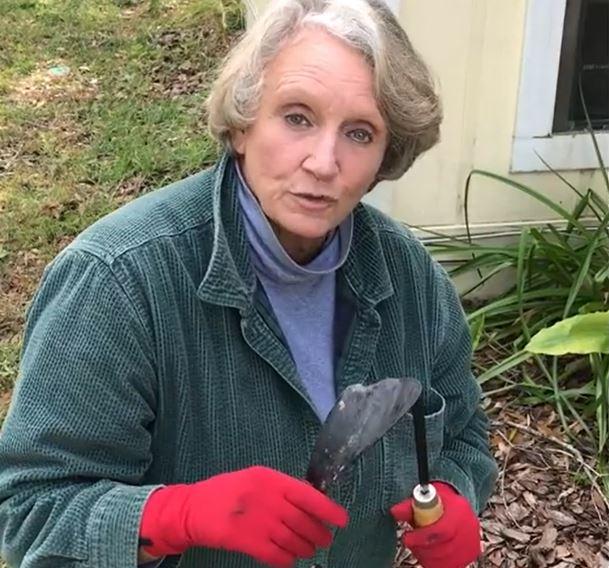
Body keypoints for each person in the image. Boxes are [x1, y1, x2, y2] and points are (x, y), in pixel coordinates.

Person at [0, 0, 498, 567]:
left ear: (387, 154)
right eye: (297, 117)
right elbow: (32, 509)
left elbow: (462, 432)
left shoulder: (411, 278)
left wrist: (455, 491)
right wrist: (174, 516)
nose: (323, 162)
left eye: (360, 132)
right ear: (241, 125)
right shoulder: (119, 282)